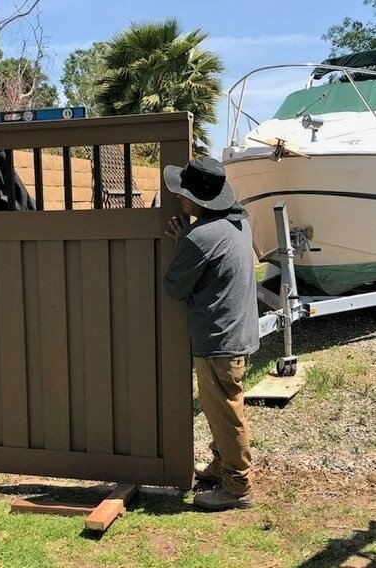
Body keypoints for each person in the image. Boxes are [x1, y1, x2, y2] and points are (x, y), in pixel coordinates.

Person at [162, 156, 260, 511]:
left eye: (181, 193)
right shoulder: (238, 221)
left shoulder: (200, 236)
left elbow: (174, 287)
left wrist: (184, 242)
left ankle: (237, 486)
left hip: (219, 340)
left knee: (226, 412)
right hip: (237, 333)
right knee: (220, 408)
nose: (177, 199)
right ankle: (222, 465)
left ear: (198, 201)